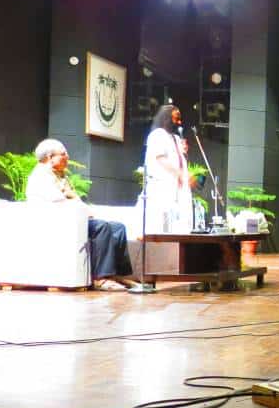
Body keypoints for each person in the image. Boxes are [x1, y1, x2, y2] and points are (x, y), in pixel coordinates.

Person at [26, 139, 134, 290]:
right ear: (50, 158)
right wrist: (76, 201)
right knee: (102, 227)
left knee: (118, 228)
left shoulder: (59, 175)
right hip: (57, 221)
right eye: (63, 154)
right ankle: (100, 278)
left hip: (72, 218)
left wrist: (76, 201)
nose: (67, 157)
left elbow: (71, 198)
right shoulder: (41, 177)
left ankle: (116, 275)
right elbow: (59, 202)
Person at [143, 105, 193, 234]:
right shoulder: (157, 135)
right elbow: (160, 158)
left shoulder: (176, 138)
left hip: (178, 188)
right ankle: (164, 242)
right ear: (166, 118)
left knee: (179, 224)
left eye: (180, 119)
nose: (179, 122)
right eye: (176, 118)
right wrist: (179, 173)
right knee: (165, 226)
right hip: (162, 188)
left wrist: (185, 153)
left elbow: (179, 160)